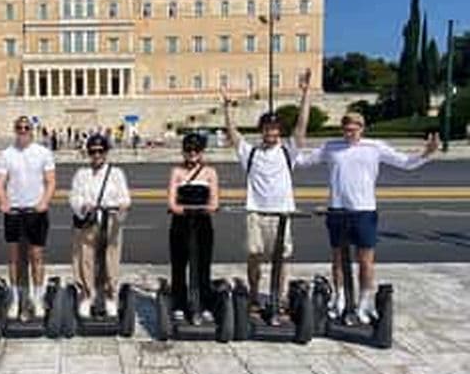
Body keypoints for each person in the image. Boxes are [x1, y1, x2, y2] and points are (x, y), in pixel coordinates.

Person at [297, 113, 439, 323]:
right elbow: (302, 161)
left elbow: (405, 163)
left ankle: (365, 301)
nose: (350, 133)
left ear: (362, 129)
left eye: (354, 129)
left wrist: (426, 153)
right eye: (346, 129)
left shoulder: (374, 147)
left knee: (365, 261)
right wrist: (292, 145)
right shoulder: (331, 147)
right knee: (338, 259)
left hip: (364, 210)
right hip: (337, 210)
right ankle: (340, 298)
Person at [222, 69, 313, 313]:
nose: (271, 133)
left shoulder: (288, 151)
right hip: (256, 212)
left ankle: (280, 297)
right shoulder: (250, 153)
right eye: (267, 128)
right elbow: (232, 133)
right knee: (254, 256)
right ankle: (253, 294)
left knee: (281, 258)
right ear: (262, 130)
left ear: (279, 131)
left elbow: (302, 126)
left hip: (282, 213)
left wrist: (306, 94)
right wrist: (227, 106)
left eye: (275, 129)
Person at [0, 115, 56, 319]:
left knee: (36, 256)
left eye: (26, 127)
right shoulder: (6, 154)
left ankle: (37, 298)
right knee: (14, 258)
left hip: (35, 211)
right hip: (14, 211)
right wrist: (3, 201)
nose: (23, 131)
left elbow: (50, 182)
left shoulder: (43, 153)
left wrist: (44, 202)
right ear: (15, 130)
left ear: (32, 130)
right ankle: (16, 297)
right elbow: (0, 182)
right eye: (19, 128)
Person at [69, 134, 131, 317]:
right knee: (85, 258)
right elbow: (74, 196)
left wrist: (121, 205)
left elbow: (125, 197)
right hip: (88, 220)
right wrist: (83, 205)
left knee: (110, 259)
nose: (96, 155)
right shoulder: (82, 174)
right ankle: (87, 295)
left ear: (106, 152)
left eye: (100, 151)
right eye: (93, 151)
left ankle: (110, 295)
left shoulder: (116, 173)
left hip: (110, 220)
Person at [167, 133, 219, 323]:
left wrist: (203, 209)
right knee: (179, 265)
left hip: (202, 223)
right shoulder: (176, 172)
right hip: (181, 223)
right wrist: (181, 209)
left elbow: (214, 203)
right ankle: (179, 304)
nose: (192, 153)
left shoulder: (210, 172)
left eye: (196, 150)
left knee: (203, 266)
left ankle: (204, 304)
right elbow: (172, 202)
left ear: (202, 152)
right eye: (188, 150)